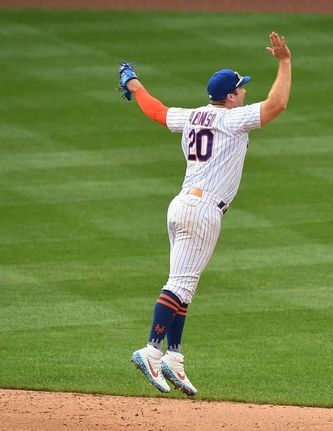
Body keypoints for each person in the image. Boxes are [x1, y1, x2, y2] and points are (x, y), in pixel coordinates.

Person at [117, 32, 292, 396]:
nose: (244, 92)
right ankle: (150, 350)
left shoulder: (190, 116)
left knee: (186, 286)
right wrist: (285, 62)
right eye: (241, 88)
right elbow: (277, 104)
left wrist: (134, 83)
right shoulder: (232, 119)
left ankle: (174, 359)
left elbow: (156, 110)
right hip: (203, 211)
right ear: (230, 96)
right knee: (179, 285)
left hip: (181, 205)